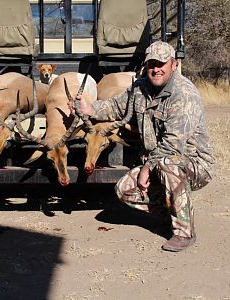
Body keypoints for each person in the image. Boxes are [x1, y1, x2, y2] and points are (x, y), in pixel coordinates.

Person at [75, 41, 215, 252]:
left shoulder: (184, 95)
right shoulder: (140, 88)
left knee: (169, 164)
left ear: (174, 65)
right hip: (158, 162)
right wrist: (90, 108)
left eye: (161, 64)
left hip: (192, 163)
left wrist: (147, 169)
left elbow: (172, 145)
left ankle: (184, 232)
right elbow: (115, 107)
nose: (156, 69)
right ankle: (172, 212)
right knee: (125, 189)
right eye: (151, 64)